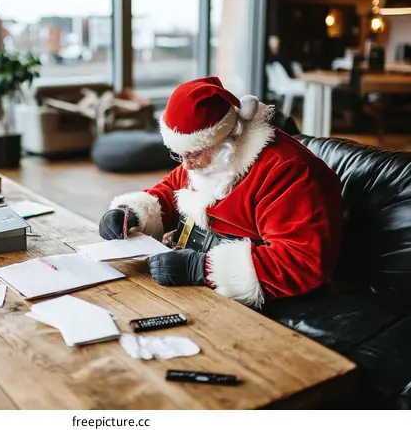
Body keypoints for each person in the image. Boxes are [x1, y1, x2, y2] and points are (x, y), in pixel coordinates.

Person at [98, 76, 342, 309]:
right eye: (178, 154)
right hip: (199, 283)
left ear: (227, 137)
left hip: (263, 298)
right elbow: (171, 191)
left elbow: (302, 261)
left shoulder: (285, 171)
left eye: (192, 153)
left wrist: (203, 269)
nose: (186, 165)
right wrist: (132, 214)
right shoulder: (211, 157)